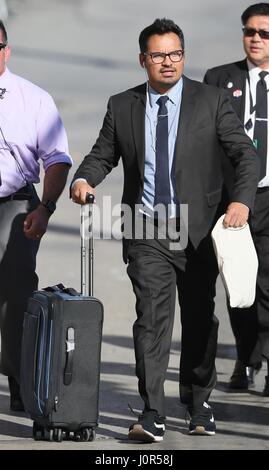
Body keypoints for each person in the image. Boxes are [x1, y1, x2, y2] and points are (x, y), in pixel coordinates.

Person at [71, 18, 259, 441]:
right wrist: (84, 179)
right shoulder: (123, 105)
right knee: (151, 320)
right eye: (159, 55)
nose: (168, 62)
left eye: (175, 53)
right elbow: (103, 154)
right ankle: (153, 410)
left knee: (198, 320)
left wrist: (241, 200)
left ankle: (197, 403)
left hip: (198, 228)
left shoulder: (209, 101)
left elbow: (245, 155)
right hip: (146, 228)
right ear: (143, 60)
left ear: (184, 56)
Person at [0, 21, 72, 411]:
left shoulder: (34, 99)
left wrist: (46, 207)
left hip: (15, 203)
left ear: (6, 50)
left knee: (14, 295)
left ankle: (17, 379)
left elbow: (57, 158)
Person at [204, 3, 269, 396]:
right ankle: (247, 358)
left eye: (264, 33)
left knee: (268, 284)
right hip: (235, 199)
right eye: (250, 32)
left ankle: (264, 359)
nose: (256, 39)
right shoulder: (220, 78)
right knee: (240, 284)